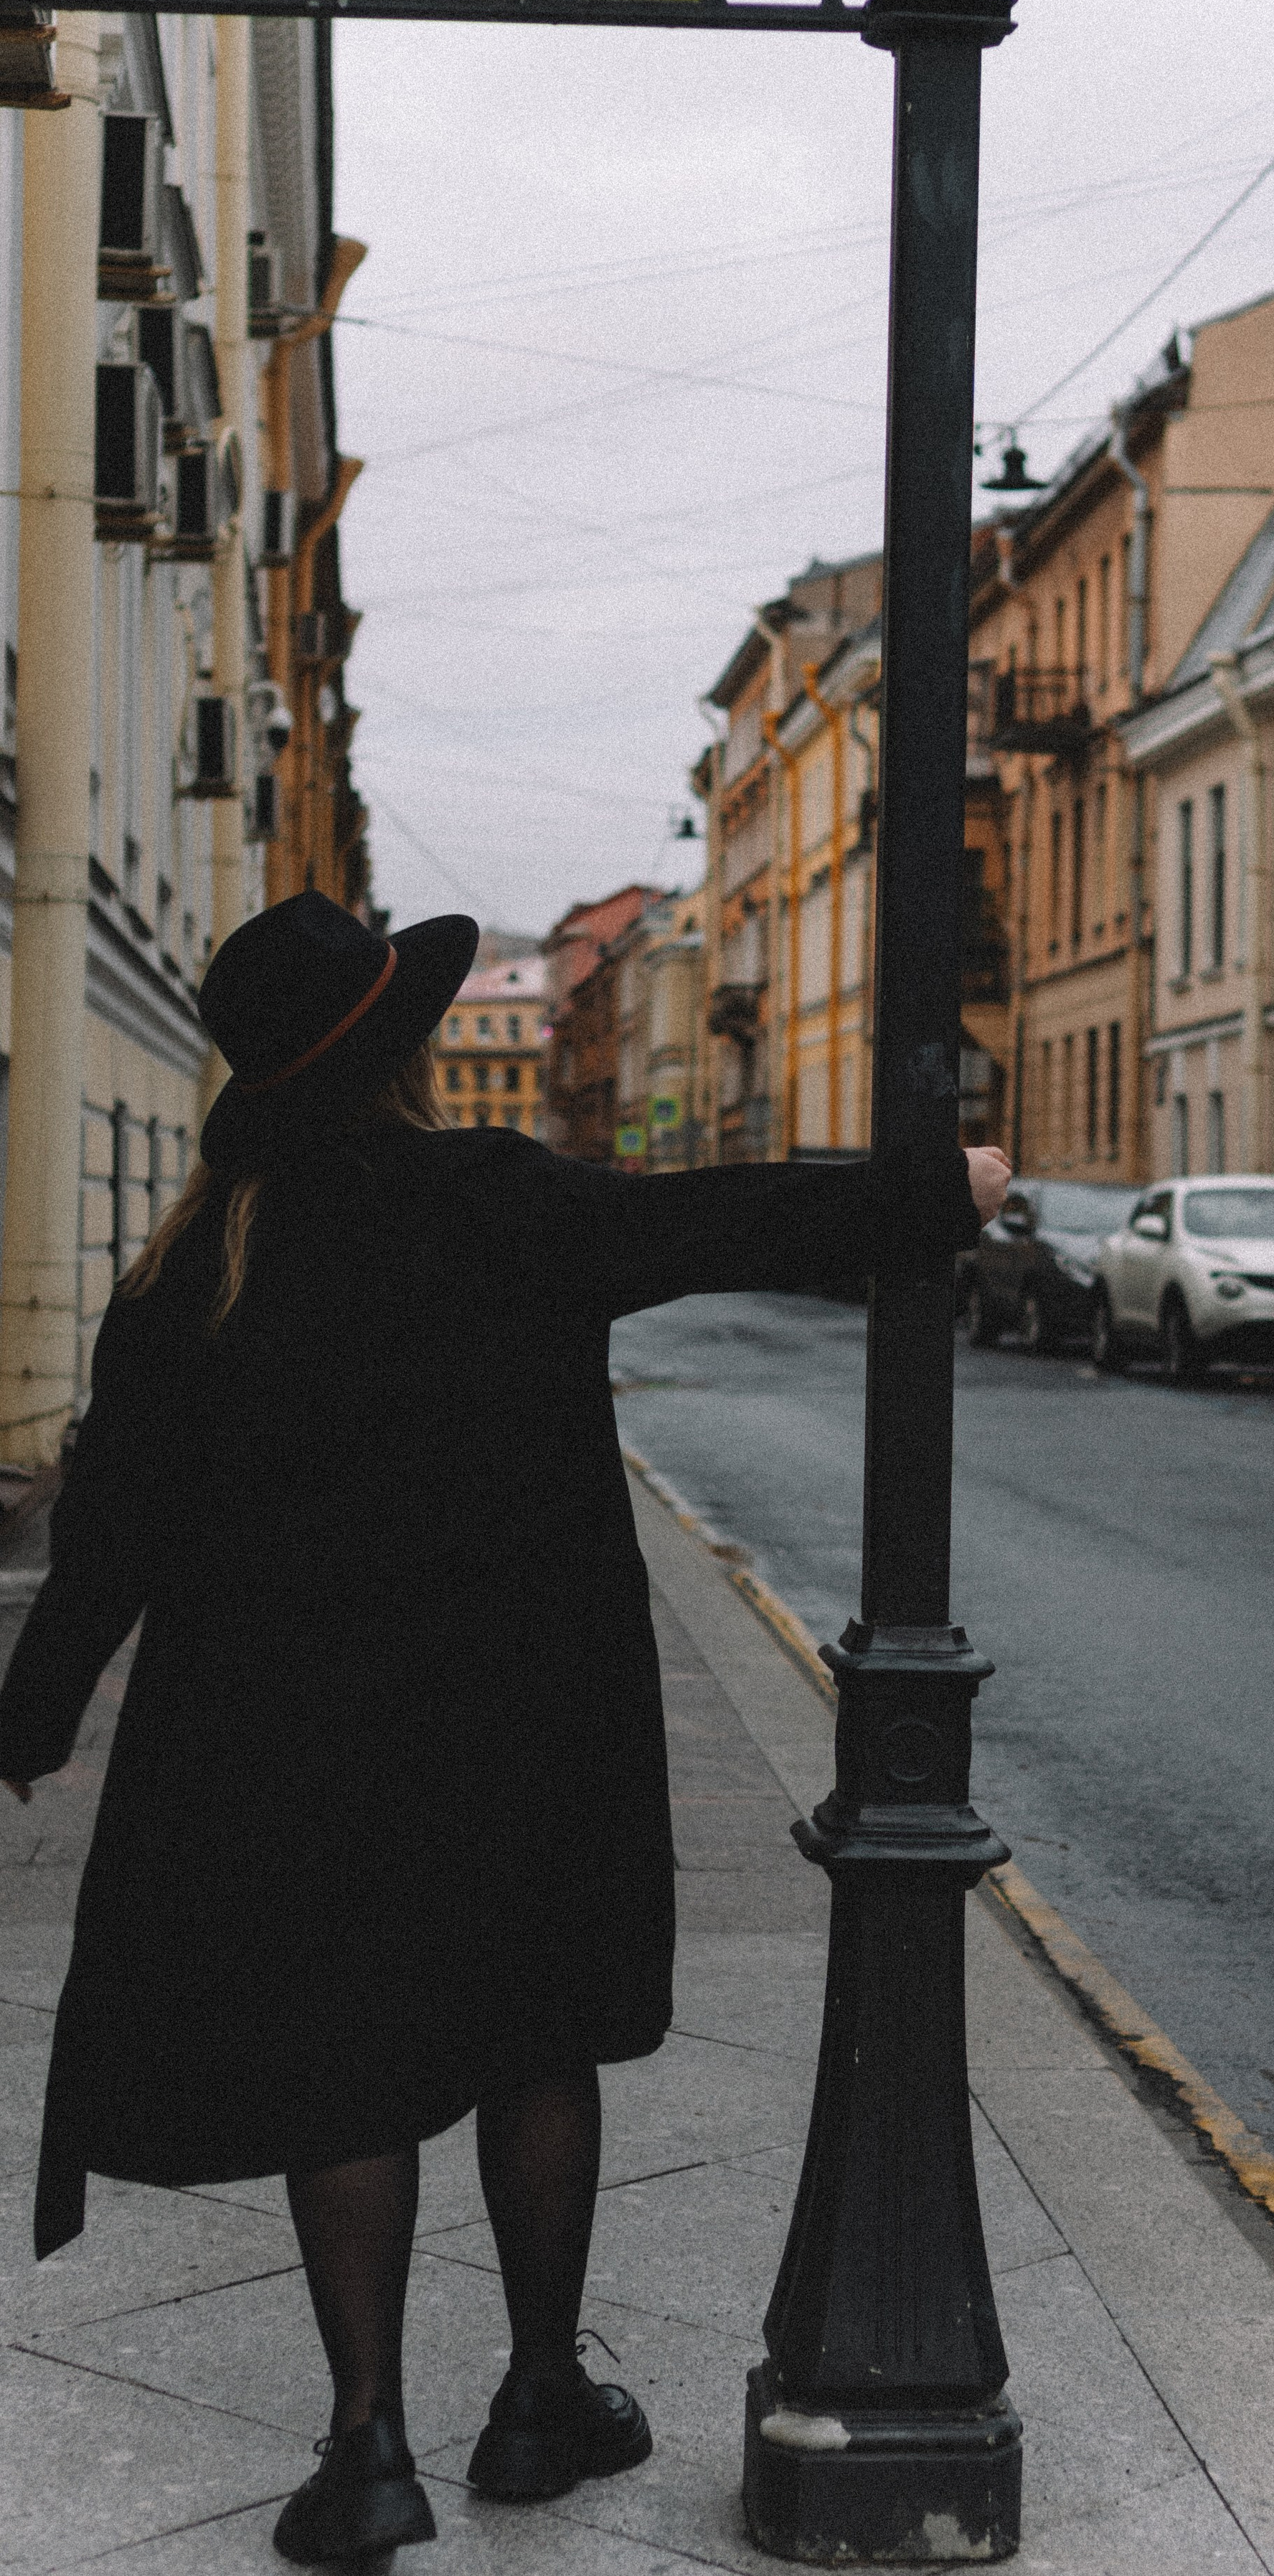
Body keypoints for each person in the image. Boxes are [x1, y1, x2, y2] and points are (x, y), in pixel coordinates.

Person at [0, 891, 1009, 2565]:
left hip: (291, 1735)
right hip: (525, 1715)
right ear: (406, 1058)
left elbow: (106, 1538)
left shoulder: (194, 1266)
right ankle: (541, 2398)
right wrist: (933, 1193)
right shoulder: (495, 1203)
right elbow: (717, 1223)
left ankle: (366, 2448)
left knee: (344, 2061)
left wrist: (24, 1725)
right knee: (533, 2030)